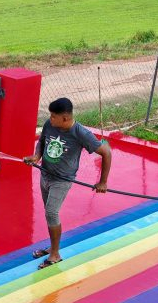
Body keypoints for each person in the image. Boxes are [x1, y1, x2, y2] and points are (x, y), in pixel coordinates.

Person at [24, 97, 112, 270]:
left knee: (51, 213)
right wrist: (36, 156)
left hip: (62, 180)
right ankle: (52, 247)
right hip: (46, 175)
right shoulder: (51, 125)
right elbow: (42, 141)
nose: (50, 119)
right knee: (50, 214)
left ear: (65, 118)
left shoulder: (80, 133)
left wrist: (102, 182)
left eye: (53, 116)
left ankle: (55, 254)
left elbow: (106, 153)